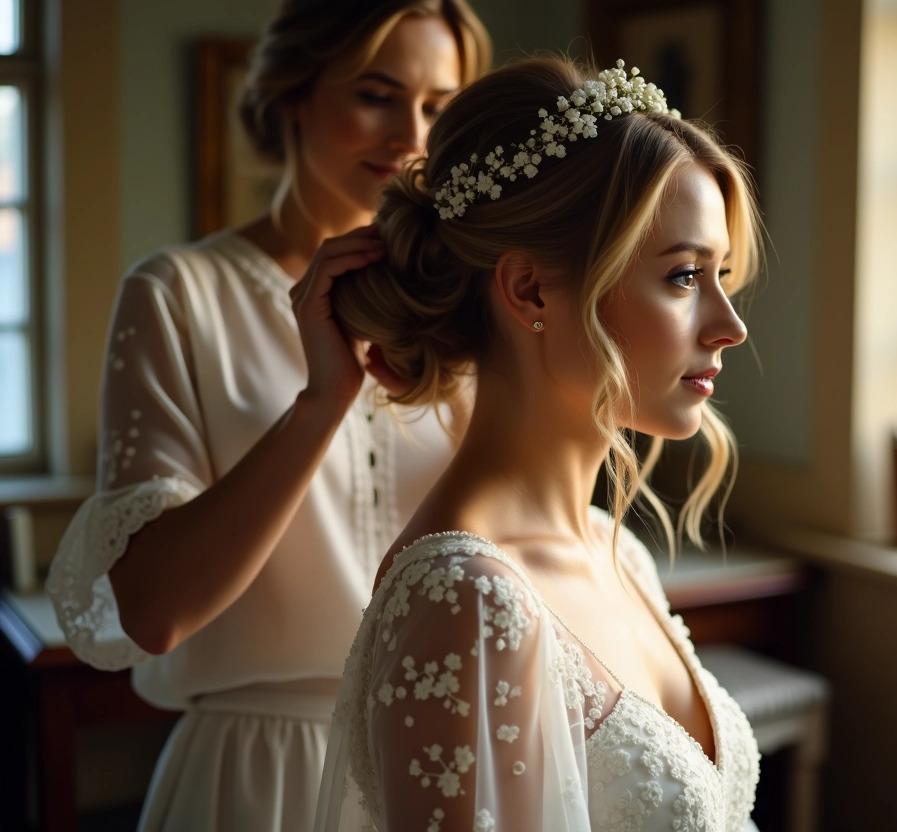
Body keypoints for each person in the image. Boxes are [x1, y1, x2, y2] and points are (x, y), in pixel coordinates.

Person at [45, 1, 490, 829]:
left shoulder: (465, 309)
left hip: (442, 762)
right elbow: (153, 611)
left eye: (437, 106)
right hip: (257, 775)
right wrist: (322, 402)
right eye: (376, 94)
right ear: (294, 93)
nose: (410, 136)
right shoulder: (179, 295)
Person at [313, 56, 765, 831]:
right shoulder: (462, 600)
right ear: (528, 290)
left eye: (721, 273)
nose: (731, 325)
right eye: (686, 277)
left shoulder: (612, 547)